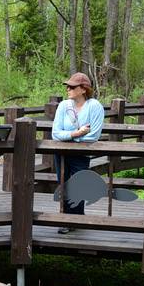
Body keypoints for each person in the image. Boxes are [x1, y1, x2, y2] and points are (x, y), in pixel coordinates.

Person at [51, 72, 105, 234]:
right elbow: (55, 133)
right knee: (64, 183)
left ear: (83, 89)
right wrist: (77, 134)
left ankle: (76, 219)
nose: (68, 89)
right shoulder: (63, 106)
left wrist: (69, 138)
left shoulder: (94, 106)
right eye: (67, 86)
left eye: (72, 86)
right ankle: (66, 219)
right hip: (61, 152)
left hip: (81, 154)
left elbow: (94, 135)